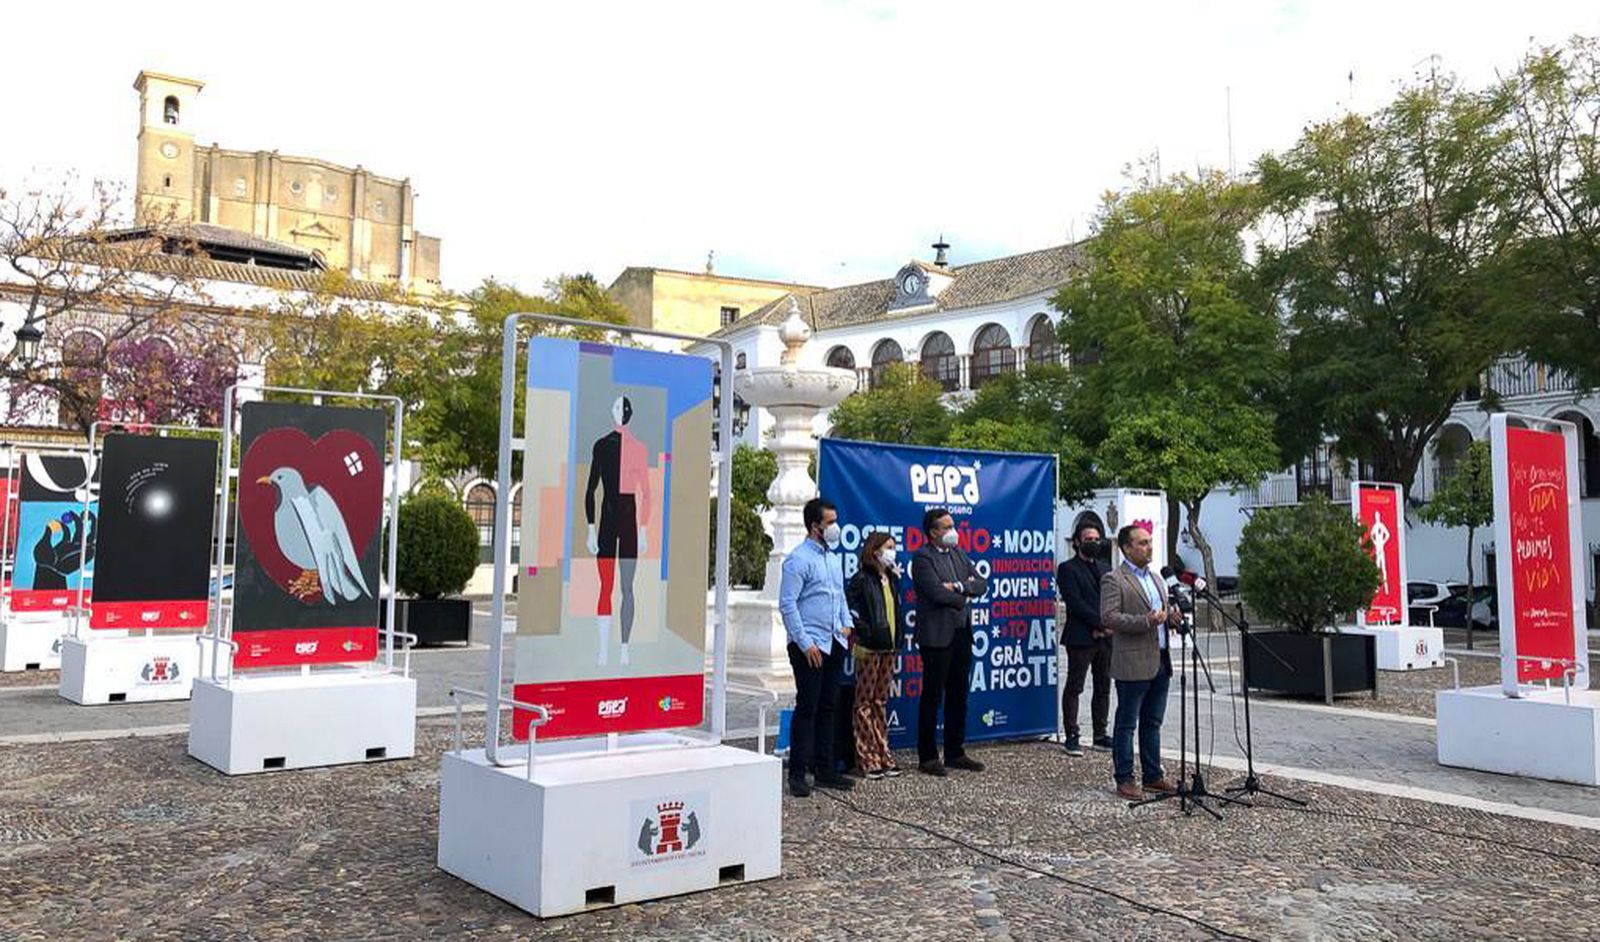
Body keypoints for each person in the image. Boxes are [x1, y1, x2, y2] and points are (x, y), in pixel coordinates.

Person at [777, 497, 855, 798]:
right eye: (830, 522)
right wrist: (804, 641)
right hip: (809, 644)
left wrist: (846, 624)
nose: (835, 527)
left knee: (828, 706)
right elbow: (787, 605)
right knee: (807, 707)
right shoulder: (798, 559)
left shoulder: (833, 558)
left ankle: (825, 769)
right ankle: (798, 773)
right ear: (815, 526)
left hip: (834, 640)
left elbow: (840, 596)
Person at [1101, 525, 1183, 801]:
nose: (1149, 547)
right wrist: (1145, 622)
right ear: (1126, 548)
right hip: (1132, 662)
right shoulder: (1115, 579)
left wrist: (1171, 618)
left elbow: (1163, 612)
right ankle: (1124, 778)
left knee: (1153, 722)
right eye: (1142, 543)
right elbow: (1109, 617)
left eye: (1149, 542)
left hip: (1160, 659)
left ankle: (1153, 775)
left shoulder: (1158, 578)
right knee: (1127, 723)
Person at [910, 508, 989, 776]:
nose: (953, 531)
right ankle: (928, 756)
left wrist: (956, 587)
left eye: (952, 525)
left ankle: (955, 751)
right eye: (947, 527)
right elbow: (934, 592)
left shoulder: (957, 553)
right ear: (933, 532)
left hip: (961, 633)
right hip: (936, 636)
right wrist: (963, 594)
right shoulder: (922, 557)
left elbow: (981, 583)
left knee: (959, 695)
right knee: (933, 696)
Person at [584, 395, 652, 667]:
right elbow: (590, 489)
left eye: (622, 408)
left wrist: (643, 529)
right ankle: (603, 649)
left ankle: (624, 647)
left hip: (627, 521)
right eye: (616, 406)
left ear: (627, 413)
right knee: (606, 586)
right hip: (609, 520)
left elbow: (646, 493)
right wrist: (590, 528)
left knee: (627, 587)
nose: (619, 411)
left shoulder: (638, 448)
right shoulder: (601, 446)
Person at [846, 531, 903, 780]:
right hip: (869, 647)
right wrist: (863, 630)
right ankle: (866, 758)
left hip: (889, 646)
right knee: (864, 703)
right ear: (875, 550)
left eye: (894, 546)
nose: (892, 551)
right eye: (888, 547)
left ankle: (883, 753)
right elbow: (848, 608)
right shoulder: (861, 579)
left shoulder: (891, 578)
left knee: (880, 701)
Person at [1056, 523, 1113, 757]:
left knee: (1104, 686)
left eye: (1097, 538)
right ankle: (1072, 735)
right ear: (1077, 542)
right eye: (1088, 538)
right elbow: (1075, 602)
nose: (1094, 542)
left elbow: (1112, 598)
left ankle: (1100, 733)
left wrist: (1109, 625)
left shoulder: (1105, 567)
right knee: (1075, 686)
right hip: (1081, 636)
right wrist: (1100, 624)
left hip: (1107, 638)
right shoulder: (1067, 569)